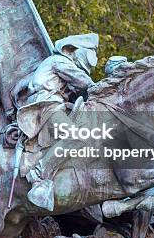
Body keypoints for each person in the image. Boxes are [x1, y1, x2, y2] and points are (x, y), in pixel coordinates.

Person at [16, 34, 98, 211]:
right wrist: (101, 88)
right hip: (47, 107)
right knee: (78, 137)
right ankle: (39, 175)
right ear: (71, 50)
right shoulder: (59, 61)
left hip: (54, 106)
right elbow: (82, 80)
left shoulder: (57, 64)